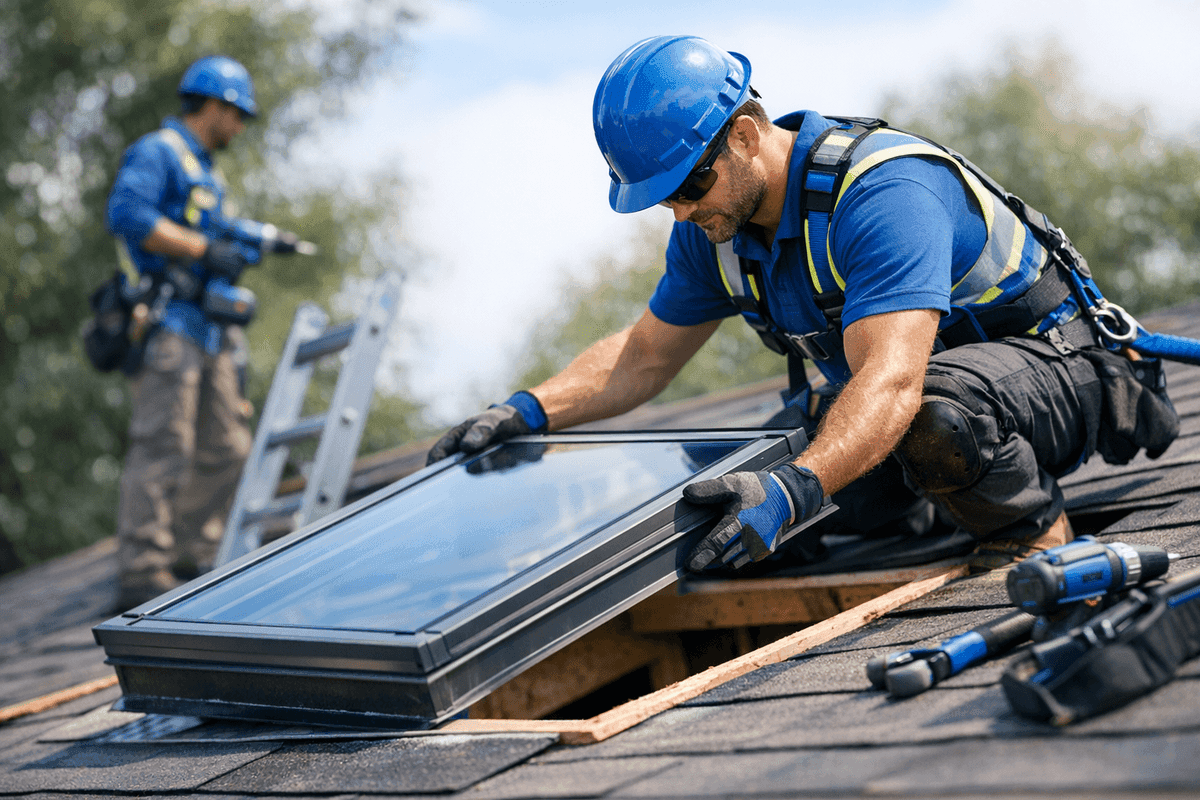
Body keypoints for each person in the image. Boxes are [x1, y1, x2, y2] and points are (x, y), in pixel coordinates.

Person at [427, 36, 1179, 574]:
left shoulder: (881, 193)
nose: (681, 213)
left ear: (747, 138)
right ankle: (919, 504)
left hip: (1063, 375)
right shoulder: (712, 231)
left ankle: (1037, 542)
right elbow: (645, 356)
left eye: (688, 187)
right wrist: (525, 412)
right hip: (923, 394)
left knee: (926, 417)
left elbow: (890, 383)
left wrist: (796, 492)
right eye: (661, 200)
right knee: (729, 480)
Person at [106, 55, 307, 610]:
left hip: (210, 328)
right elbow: (127, 215)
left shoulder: (204, 171)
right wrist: (202, 250)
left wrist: (256, 242)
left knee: (228, 445)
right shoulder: (159, 152)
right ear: (214, 106)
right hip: (169, 322)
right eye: (237, 114)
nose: (239, 127)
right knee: (163, 444)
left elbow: (215, 229)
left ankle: (196, 554)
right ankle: (143, 570)